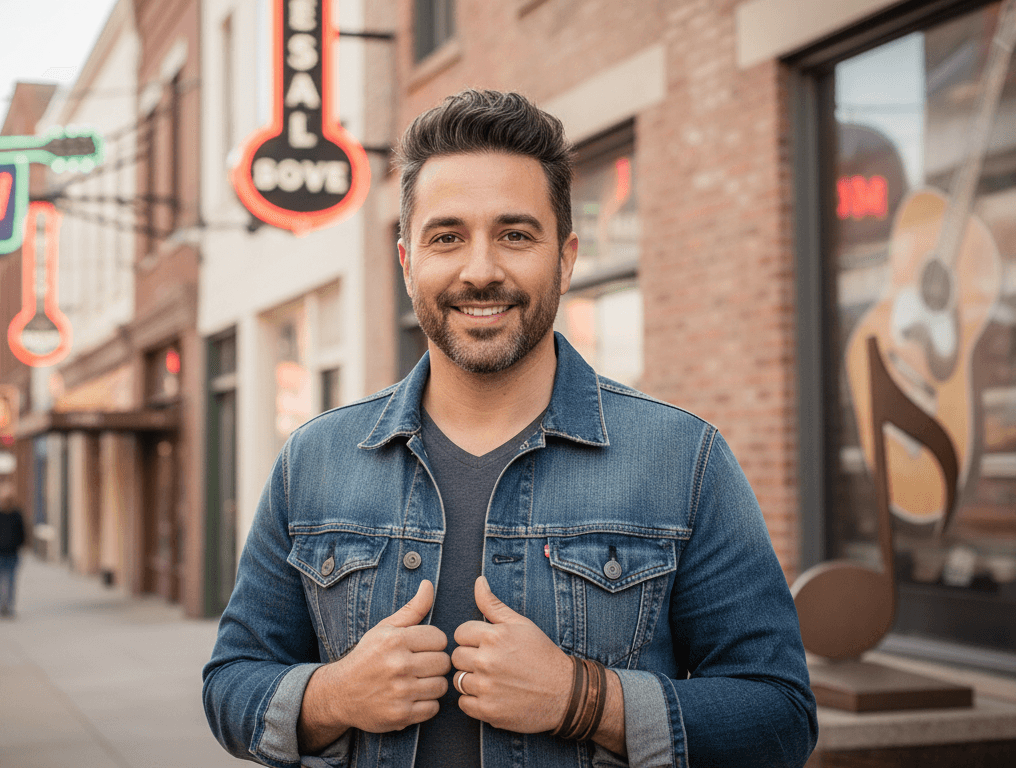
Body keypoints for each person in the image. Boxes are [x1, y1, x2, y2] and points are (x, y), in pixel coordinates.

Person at [203, 89, 816, 768]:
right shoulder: (314, 459)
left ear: (566, 258)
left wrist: (583, 699)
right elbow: (231, 682)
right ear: (407, 262)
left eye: (515, 235)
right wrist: (334, 696)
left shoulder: (682, 460)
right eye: (447, 237)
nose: (481, 271)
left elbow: (780, 718)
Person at [0, 486, 27, 618]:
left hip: (12, 553)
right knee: (0, 580)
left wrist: (17, 545)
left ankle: (8, 606)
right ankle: (0, 606)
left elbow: (22, 533)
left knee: (10, 580)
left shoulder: (16, 514)